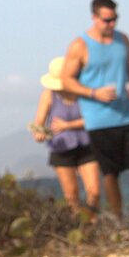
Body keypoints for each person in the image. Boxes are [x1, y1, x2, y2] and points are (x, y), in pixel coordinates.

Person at [61, 0, 129, 232]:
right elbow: (66, 81)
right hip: (99, 120)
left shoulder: (123, 40)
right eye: (107, 20)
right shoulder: (79, 45)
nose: (112, 24)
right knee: (110, 173)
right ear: (94, 17)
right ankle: (119, 222)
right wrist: (93, 93)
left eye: (115, 19)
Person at [31, 56, 101, 216]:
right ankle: (80, 226)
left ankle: (92, 220)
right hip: (61, 148)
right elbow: (38, 124)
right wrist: (39, 133)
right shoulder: (49, 95)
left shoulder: (84, 91)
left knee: (94, 191)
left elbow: (95, 118)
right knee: (71, 196)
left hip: (87, 145)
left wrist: (67, 125)